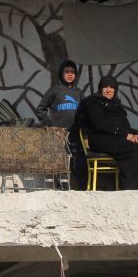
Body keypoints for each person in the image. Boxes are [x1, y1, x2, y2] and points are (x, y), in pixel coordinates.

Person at [78, 75, 138, 190]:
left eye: (111, 87)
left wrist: (134, 135)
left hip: (114, 139)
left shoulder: (116, 105)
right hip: (100, 140)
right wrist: (126, 135)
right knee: (133, 149)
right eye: (105, 87)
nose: (108, 90)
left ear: (115, 89)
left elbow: (123, 126)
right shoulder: (94, 103)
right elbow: (101, 124)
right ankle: (132, 188)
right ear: (100, 88)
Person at [35, 60, 85, 189]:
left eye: (72, 72)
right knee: (60, 161)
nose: (70, 75)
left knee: (77, 162)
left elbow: (84, 111)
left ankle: (77, 189)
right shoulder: (55, 90)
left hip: (74, 134)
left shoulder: (78, 92)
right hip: (58, 134)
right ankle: (61, 188)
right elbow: (40, 108)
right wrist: (49, 125)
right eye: (67, 72)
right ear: (61, 74)